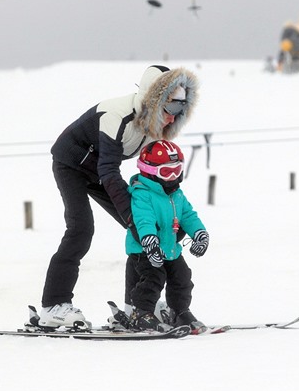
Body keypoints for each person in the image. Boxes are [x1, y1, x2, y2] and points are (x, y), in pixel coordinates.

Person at [39, 65, 199, 328]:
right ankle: (53, 305)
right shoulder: (117, 114)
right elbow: (109, 170)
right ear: (153, 100)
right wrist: (133, 217)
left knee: (142, 228)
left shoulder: (156, 126)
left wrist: (169, 220)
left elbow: (151, 178)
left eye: (181, 109)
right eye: (170, 108)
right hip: (72, 165)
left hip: (102, 171)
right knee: (81, 230)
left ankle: (136, 307)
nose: (174, 117)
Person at [124, 140, 210, 332]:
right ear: (149, 171)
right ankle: (141, 312)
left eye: (177, 170)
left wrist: (200, 234)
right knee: (153, 279)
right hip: (145, 251)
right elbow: (143, 220)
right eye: (166, 171)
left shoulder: (177, 194)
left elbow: (188, 215)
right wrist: (150, 242)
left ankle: (179, 312)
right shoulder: (142, 194)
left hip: (171, 249)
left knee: (182, 278)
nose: (172, 177)